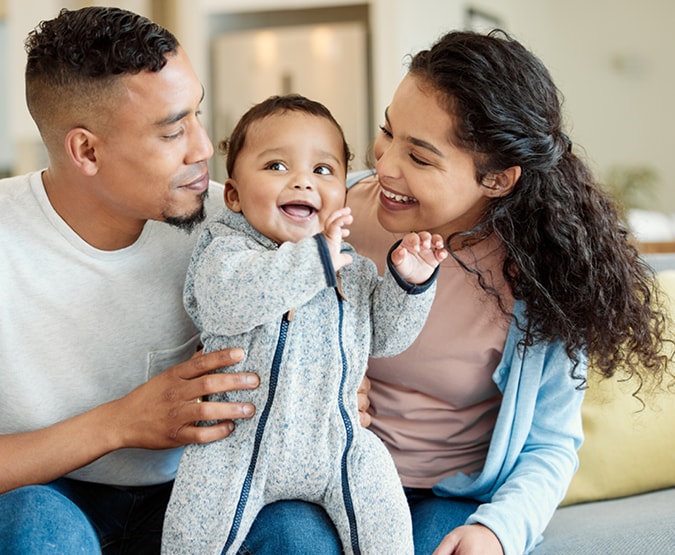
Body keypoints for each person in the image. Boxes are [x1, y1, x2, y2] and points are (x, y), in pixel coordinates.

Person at [249, 30, 674, 555]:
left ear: (496, 179)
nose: (384, 166)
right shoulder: (320, 216)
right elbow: (246, 326)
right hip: (319, 475)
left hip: (447, 495)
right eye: (388, 131)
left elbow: (550, 444)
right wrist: (312, 382)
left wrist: (498, 531)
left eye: (420, 158)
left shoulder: (544, 278)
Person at [0, 7, 262, 553]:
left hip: (202, 486)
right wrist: (120, 423)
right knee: (35, 524)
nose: (203, 148)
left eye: (197, 114)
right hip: (49, 496)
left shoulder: (235, 221)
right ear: (87, 151)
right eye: (173, 131)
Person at [161, 94, 448, 555]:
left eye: (323, 170)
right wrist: (315, 261)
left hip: (338, 445)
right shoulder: (225, 251)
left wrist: (409, 283)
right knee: (191, 539)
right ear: (232, 194)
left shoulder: (350, 269)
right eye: (276, 166)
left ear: (343, 194)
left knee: (388, 526)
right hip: (237, 447)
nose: (302, 182)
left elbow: (386, 336)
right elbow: (227, 303)